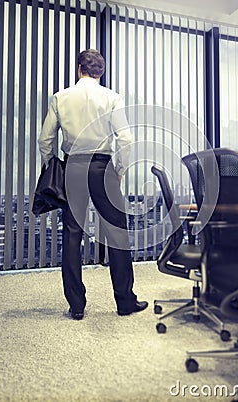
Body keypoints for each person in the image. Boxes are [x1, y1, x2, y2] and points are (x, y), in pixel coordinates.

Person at [38, 49, 148, 320]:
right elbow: (126, 138)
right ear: (101, 72)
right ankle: (125, 302)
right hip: (103, 167)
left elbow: (45, 139)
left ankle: (76, 306)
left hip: (73, 167)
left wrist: (52, 164)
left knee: (73, 236)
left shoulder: (60, 97)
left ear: (79, 69)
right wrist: (119, 170)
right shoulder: (111, 97)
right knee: (117, 234)